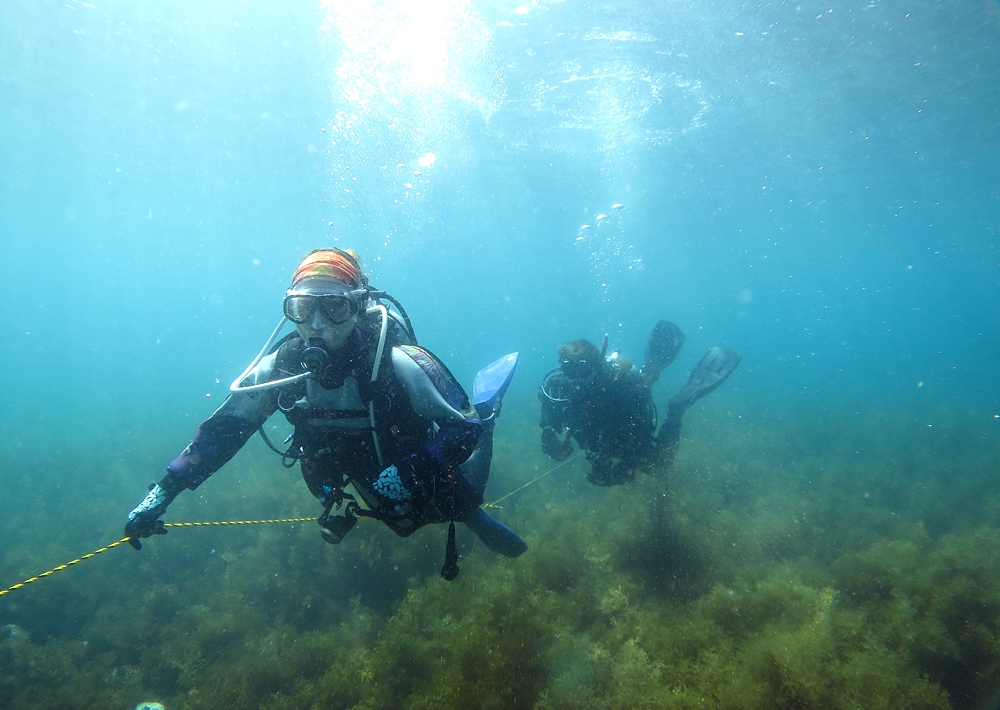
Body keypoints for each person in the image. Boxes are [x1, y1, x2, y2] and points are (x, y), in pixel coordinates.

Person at [124, 248, 527, 580]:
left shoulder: (398, 362)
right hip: (355, 467)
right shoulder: (281, 369)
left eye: (333, 308)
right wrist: (163, 492)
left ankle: (490, 416)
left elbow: (464, 427)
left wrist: (416, 467)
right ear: (290, 309)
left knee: (461, 498)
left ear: (358, 308)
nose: (316, 326)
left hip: (410, 456)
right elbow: (226, 430)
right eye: (302, 308)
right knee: (400, 522)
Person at [538, 320, 740, 486]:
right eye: (568, 370)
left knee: (659, 466)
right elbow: (549, 401)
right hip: (602, 437)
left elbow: (639, 439)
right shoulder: (561, 386)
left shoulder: (620, 391)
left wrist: (623, 470)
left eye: (580, 371)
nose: (575, 381)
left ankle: (676, 408)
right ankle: (648, 374)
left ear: (595, 367)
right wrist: (547, 431)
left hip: (627, 432)